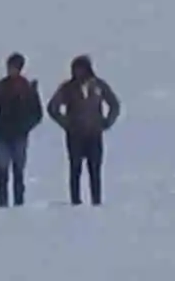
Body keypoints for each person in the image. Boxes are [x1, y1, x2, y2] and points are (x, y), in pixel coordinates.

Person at [48, 55, 121, 205]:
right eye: (75, 69)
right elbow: (53, 107)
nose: (77, 72)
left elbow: (114, 104)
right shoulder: (68, 87)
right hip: (75, 135)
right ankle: (75, 201)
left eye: (80, 69)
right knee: (75, 169)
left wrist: (107, 122)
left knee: (95, 170)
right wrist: (66, 123)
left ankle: (96, 200)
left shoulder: (98, 85)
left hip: (94, 134)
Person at [0, 52, 44, 208]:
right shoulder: (0, 87)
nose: (12, 70)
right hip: (3, 135)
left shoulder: (27, 88)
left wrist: (26, 127)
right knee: (3, 172)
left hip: (19, 135)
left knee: (18, 172)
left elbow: (37, 113)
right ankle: (3, 203)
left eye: (15, 67)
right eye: (10, 67)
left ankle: (18, 201)